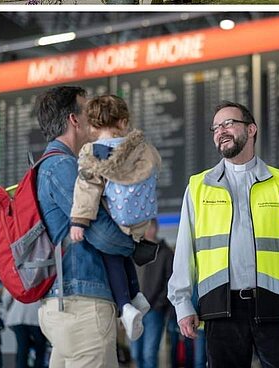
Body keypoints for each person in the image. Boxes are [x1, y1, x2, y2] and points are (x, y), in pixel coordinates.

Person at [167, 101, 279, 368]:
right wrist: (182, 303)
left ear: (251, 129)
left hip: (275, 306)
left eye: (228, 123)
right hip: (220, 308)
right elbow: (186, 249)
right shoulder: (198, 187)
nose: (220, 131)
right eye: (215, 127)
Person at [34, 85, 137, 368]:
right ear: (74, 120)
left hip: (63, 304)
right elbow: (102, 235)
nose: (95, 118)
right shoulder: (64, 167)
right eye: (88, 111)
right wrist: (134, 242)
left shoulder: (47, 165)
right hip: (82, 307)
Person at [68, 95, 159, 342]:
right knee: (123, 251)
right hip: (139, 221)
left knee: (110, 253)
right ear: (123, 122)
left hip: (115, 217)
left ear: (92, 126)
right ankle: (137, 295)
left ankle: (125, 306)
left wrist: (79, 221)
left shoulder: (94, 151)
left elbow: (87, 188)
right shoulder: (143, 150)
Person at [133, 223, 174, 368]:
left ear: (156, 228)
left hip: (154, 310)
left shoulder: (165, 253)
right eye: (147, 227)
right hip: (135, 310)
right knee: (136, 354)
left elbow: (170, 281)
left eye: (152, 227)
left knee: (149, 354)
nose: (149, 230)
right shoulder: (134, 250)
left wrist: (159, 304)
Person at [1, 286, 49, 368]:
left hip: (18, 316)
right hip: (37, 316)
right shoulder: (43, 277)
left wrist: (7, 311)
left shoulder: (16, 278)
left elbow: (6, 298)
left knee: (22, 348)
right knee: (40, 348)